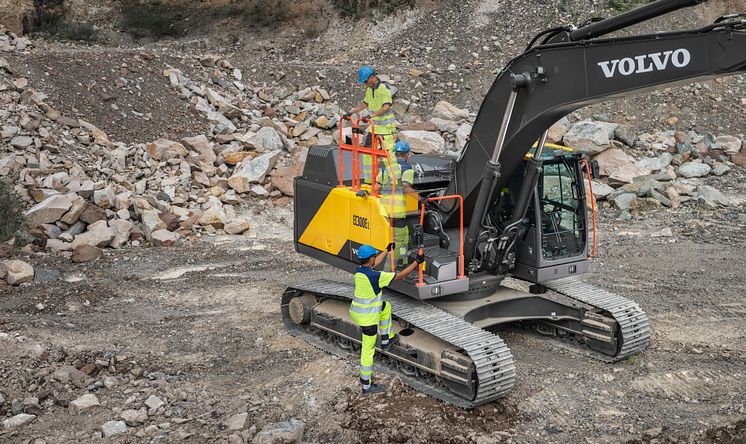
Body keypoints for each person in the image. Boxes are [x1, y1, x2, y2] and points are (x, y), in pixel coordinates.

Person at [350, 244, 422, 395]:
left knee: (385, 307)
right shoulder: (376, 277)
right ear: (370, 259)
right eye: (374, 257)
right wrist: (417, 262)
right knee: (367, 352)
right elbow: (401, 276)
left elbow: (374, 263)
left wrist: (386, 250)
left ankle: (386, 339)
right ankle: (366, 386)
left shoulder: (360, 270)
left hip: (357, 311)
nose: (375, 259)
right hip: (367, 319)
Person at [344, 66, 398, 181]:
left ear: (372, 77)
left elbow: (386, 106)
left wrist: (371, 116)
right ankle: (369, 181)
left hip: (386, 129)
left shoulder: (384, 88)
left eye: (365, 81)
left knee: (387, 156)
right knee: (367, 153)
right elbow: (365, 104)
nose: (365, 84)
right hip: (374, 128)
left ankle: (395, 180)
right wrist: (350, 112)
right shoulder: (370, 89)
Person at [377, 140, 418, 269]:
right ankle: (389, 270)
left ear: (395, 153)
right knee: (398, 240)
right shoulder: (407, 169)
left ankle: (402, 261)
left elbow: (377, 186)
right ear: (406, 155)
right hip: (397, 210)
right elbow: (406, 186)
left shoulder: (385, 167)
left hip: (385, 209)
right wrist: (421, 198)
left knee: (401, 234)